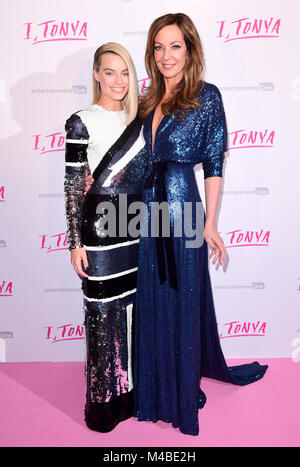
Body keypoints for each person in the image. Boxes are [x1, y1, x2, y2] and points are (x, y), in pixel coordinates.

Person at [133, 13, 268, 436]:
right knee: (153, 297)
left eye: (174, 46)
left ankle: (182, 388)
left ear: (189, 49)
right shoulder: (147, 98)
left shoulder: (206, 97)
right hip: (148, 209)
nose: (165, 55)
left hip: (181, 205)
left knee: (183, 294)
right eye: (158, 46)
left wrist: (211, 223)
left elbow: (212, 165)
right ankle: (154, 388)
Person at [64, 42, 147, 432]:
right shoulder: (81, 121)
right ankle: (103, 406)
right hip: (99, 233)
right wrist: (74, 243)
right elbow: (72, 187)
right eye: (110, 72)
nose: (118, 80)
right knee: (102, 319)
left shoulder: (143, 118)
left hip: (139, 228)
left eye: (125, 72)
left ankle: (135, 395)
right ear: (96, 74)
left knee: (136, 314)